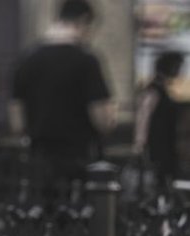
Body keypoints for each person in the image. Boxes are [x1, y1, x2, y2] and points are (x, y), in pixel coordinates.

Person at [9, 0, 116, 185]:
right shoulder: (87, 61)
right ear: (83, 21)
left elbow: (17, 122)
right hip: (79, 161)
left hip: (39, 160)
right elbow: (103, 120)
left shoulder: (26, 59)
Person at [133, 50, 185, 187]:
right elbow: (143, 117)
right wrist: (140, 145)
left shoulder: (161, 90)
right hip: (156, 146)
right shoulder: (153, 90)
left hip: (164, 145)